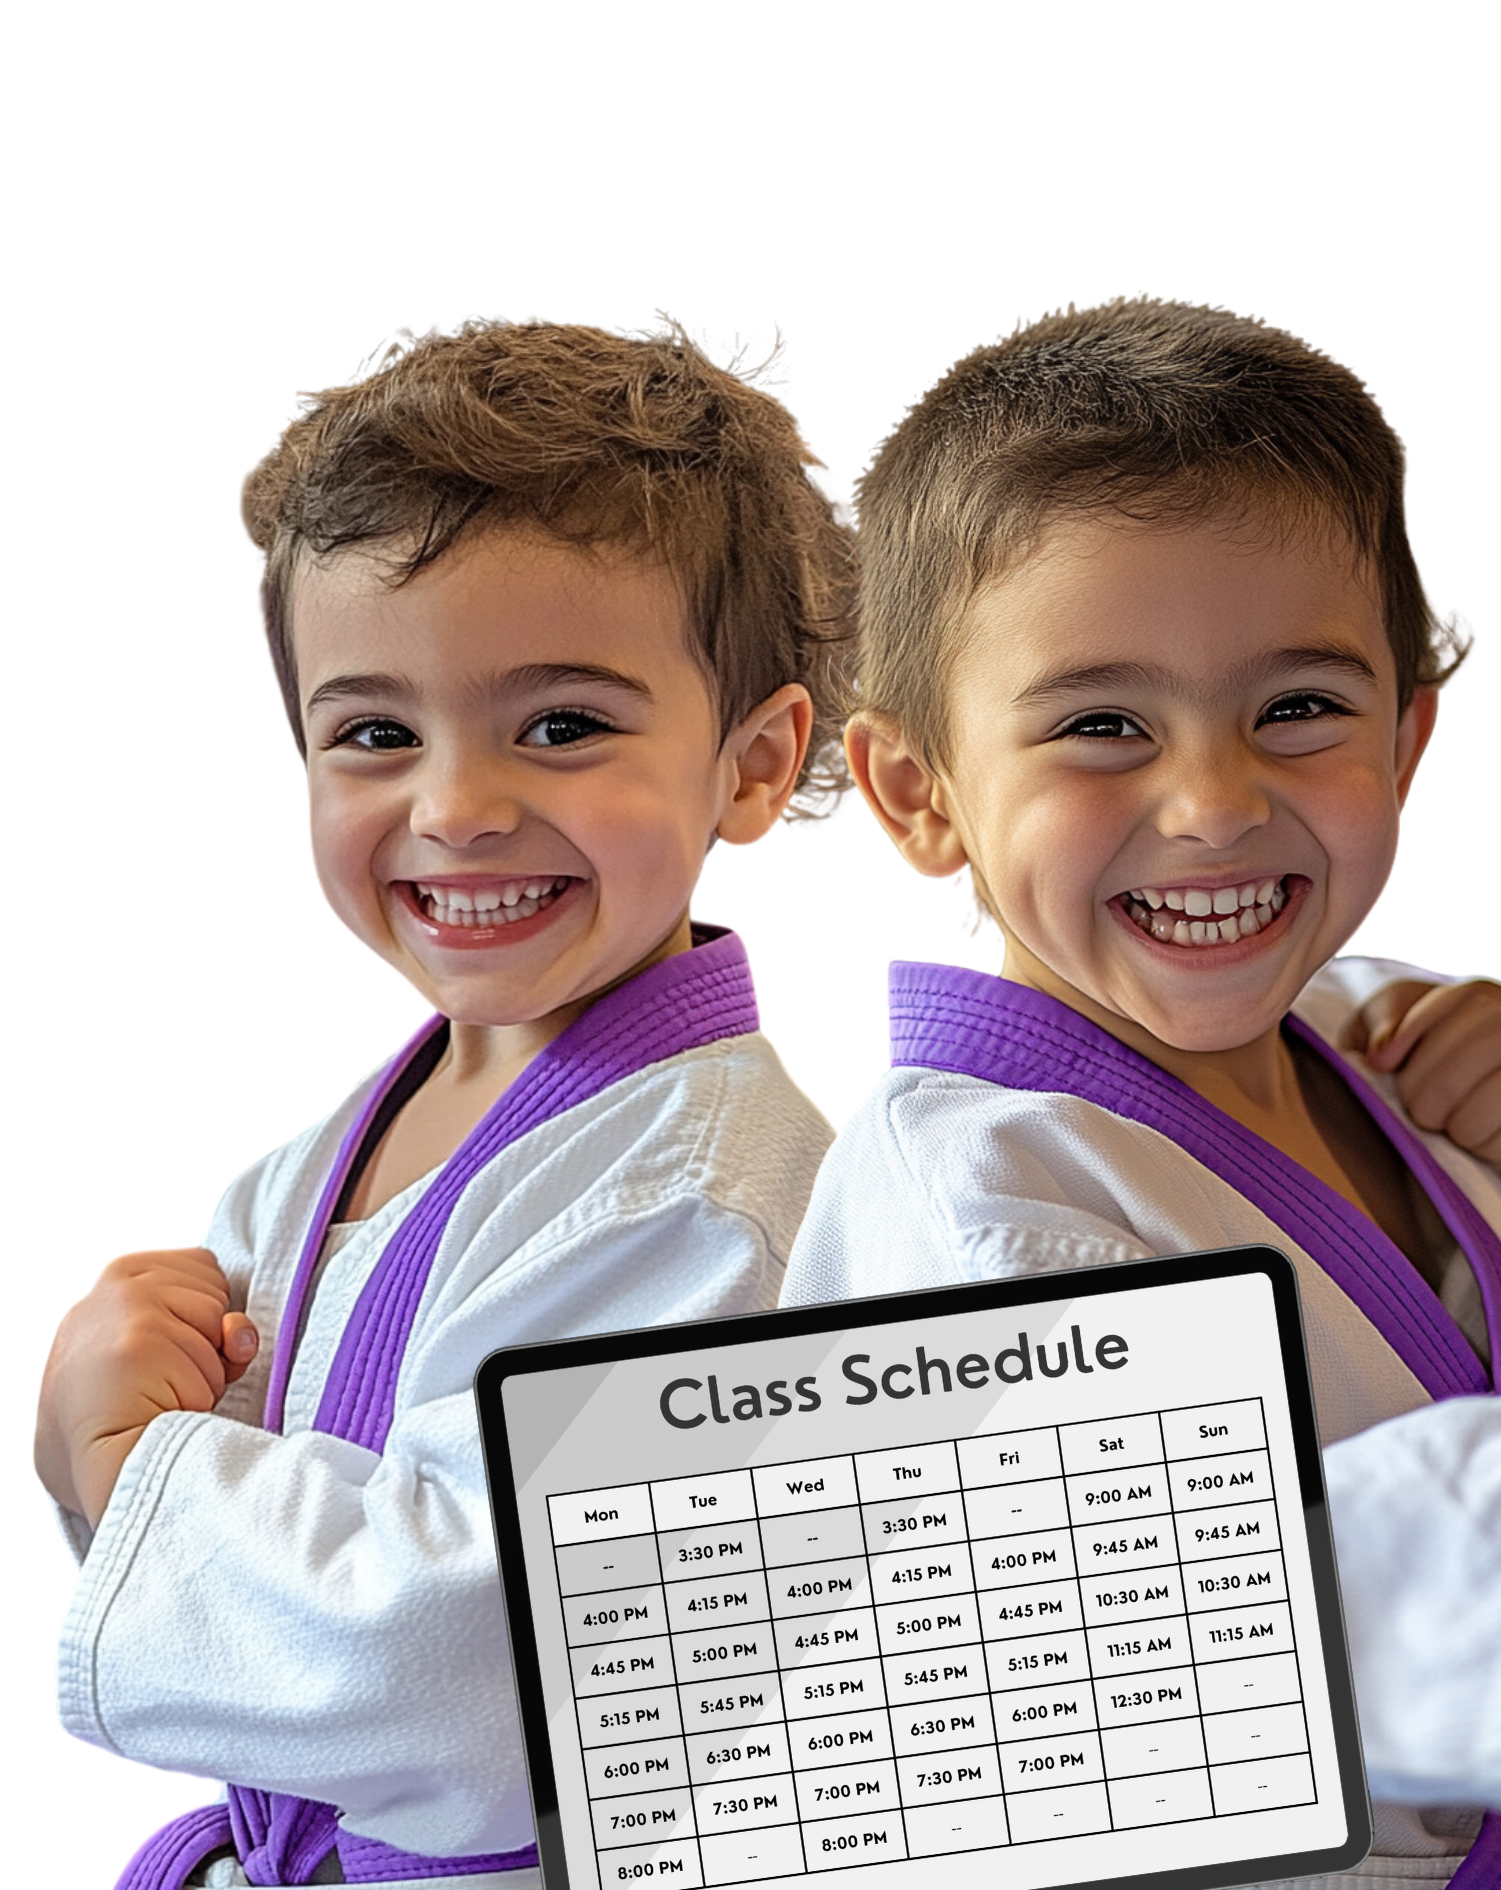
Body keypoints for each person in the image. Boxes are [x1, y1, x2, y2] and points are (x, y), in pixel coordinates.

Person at [780, 297, 1501, 1889]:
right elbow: (1092, 1641)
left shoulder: (1355, 1034)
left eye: (1298, 707)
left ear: (1406, 737)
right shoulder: (966, 1200)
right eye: (1099, 725)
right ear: (919, 793)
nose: (1213, 802)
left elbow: (1458, 1353)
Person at [35, 312, 852, 1889]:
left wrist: (122, 1460)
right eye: (375, 734)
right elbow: (248, 1610)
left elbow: (489, 1680)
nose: (458, 806)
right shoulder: (305, 1170)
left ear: (752, 766)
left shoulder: (705, 1197)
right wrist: (129, 1451)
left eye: (562, 724)